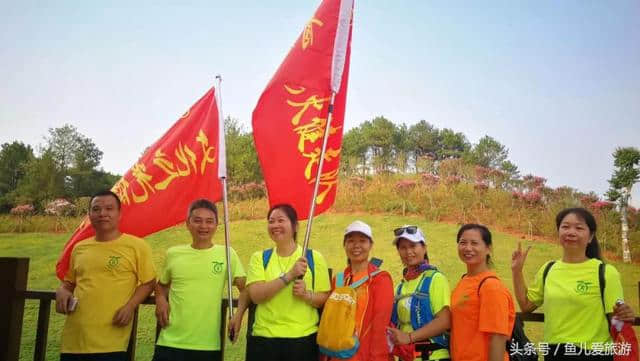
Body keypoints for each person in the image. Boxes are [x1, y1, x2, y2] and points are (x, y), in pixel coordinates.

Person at [512, 207, 636, 361]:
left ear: (590, 236)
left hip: (595, 354)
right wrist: (517, 271)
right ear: (558, 232)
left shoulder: (605, 272)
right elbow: (526, 305)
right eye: (565, 227)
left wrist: (626, 313)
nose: (571, 232)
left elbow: (618, 317)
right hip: (555, 353)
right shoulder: (548, 269)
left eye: (579, 228)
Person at [55, 190, 156, 361]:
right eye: (96, 209)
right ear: (89, 215)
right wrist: (63, 290)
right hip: (74, 340)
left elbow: (149, 282)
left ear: (119, 214)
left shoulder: (136, 246)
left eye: (109, 208)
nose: (102, 213)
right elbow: (69, 282)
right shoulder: (80, 248)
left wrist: (130, 306)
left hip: (112, 341)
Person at [152, 199, 247, 361]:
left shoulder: (227, 254)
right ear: (187, 223)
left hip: (207, 345)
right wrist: (160, 299)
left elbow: (246, 289)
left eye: (209, 221)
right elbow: (162, 286)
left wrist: (238, 315)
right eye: (197, 220)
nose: (203, 226)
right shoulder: (174, 253)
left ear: (217, 225)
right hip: (169, 341)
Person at [245, 204, 331, 361]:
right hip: (264, 339)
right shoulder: (259, 258)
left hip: (302, 340)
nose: (275, 225)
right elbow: (256, 296)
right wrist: (289, 275)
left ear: (295, 226)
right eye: (271, 221)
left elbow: (324, 298)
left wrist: (307, 295)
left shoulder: (313, 258)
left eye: (280, 220)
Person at [321, 220, 394, 361]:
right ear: (344, 245)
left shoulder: (380, 279)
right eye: (351, 241)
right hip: (335, 354)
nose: (356, 245)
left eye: (362, 241)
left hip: (364, 355)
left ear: (370, 245)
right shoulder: (338, 280)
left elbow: (380, 326)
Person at [450, 224, 515, 361]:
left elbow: (497, 337)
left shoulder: (491, 287)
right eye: (463, 243)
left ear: (488, 248)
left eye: (474, 243)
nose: (468, 248)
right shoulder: (464, 281)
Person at [387, 225, 452, 361]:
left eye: (413, 246)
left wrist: (409, 337)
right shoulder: (400, 286)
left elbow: (445, 320)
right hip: (406, 357)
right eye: (403, 247)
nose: (408, 251)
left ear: (424, 248)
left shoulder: (436, 279)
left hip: (433, 356)